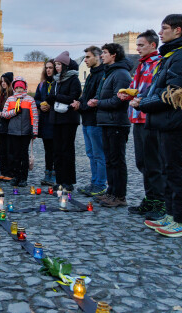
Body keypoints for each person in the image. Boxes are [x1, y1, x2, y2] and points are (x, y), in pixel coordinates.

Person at [139, 14, 182, 237]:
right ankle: (170, 215)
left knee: (177, 171)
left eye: (164, 28)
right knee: (167, 170)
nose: (160, 32)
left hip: (176, 123)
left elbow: (173, 94)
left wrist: (144, 103)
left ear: (178, 31)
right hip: (164, 123)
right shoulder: (172, 55)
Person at [122, 30, 164, 219]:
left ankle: (159, 202)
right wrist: (127, 93)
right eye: (137, 45)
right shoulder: (141, 65)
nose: (137, 48)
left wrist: (138, 97)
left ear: (152, 45)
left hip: (150, 117)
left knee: (153, 163)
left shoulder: (158, 63)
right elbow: (137, 88)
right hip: (137, 118)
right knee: (142, 162)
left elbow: (155, 90)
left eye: (141, 45)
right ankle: (150, 198)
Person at [88, 43, 132, 208]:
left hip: (117, 123)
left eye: (105, 53)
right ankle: (111, 192)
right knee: (110, 160)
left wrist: (98, 103)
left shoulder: (121, 74)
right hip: (107, 121)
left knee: (117, 160)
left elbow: (118, 100)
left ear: (114, 55)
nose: (101, 56)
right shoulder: (110, 73)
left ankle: (119, 195)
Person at [72, 47, 107, 197]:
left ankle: (100, 184)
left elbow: (96, 98)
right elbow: (86, 95)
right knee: (91, 154)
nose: (85, 60)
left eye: (88, 57)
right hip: (87, 120)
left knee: (99, 154)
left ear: (97, 57)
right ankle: (94, 182)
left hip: (96, 120)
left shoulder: (102, 75)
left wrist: (82, 105)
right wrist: (78, 102)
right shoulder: (92, 74)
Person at [46, 51, 82, 191]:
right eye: (56, 64)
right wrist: (51, 98)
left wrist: (56, 97)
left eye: (59, 64)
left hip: (68, 119)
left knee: (67, 150)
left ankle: (68, 180)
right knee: (57, 150)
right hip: (56, 118)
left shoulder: (73, 80)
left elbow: (73, 97)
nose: (57, 67)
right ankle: (59, 179)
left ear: (65, 65)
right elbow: (53, 96)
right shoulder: (56, 81)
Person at [1, 77, 39, 187]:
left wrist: (34, 130)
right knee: (15, 156)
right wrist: (15, 112)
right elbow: (4, 114)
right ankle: (16, 176)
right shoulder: (10, 99)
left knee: (24, 155)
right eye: (17, 87)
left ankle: (24, 177)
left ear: (24, 88)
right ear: (14, 88)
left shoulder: (29, 100)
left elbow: (34, 116)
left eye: (20, 88)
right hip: (13, 131)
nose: (19, 90)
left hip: (26, 132)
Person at [34, 61, 56, 186]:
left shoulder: (57, 83)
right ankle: (47, 172)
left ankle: (54, 173)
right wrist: (41, 105)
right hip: (45, 120)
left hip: (55, 119)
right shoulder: (42, 85)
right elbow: (36, 99)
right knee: (47, 149)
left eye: (50, 68)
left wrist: (50, 105)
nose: (48, 70)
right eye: (46, 68)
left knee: (55, 149)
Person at [0, 72, 15, 182]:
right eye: (1, 81)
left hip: (9, 127)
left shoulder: (13, 96)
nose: (2, 83)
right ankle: (3, 172)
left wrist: (3, 113)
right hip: (0, 128)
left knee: (9, 151)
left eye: (4, 81)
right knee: (1, 152)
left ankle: (10, 172)